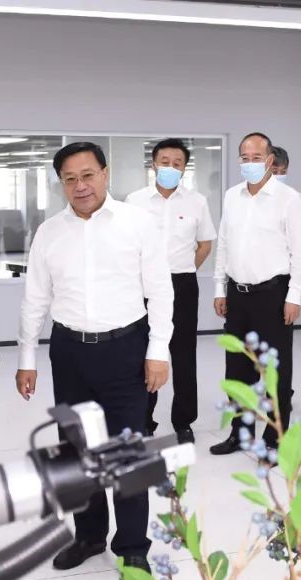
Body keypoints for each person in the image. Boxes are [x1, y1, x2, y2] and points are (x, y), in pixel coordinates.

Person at [17, 142, 173, 574]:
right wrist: (27, 356)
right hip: (69, 352)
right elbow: (35, 298)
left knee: (127, 452)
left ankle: (133, 545)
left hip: (126, 350)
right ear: (61, 184)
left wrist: (158, 351)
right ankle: (88, 535)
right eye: (70, 179)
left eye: (88, 175)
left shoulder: (137, 223)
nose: (80, 186)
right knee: (76, 451)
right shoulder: (49, 232)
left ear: (105, 174)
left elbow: (161, 291)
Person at [210, 133, 301, 455]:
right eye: (245, 157)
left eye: (256, 157)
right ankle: (240, 433)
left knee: (275, 371)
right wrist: (219, 287)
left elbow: (300, 252)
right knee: (237, 369)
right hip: (237, 295)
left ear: (269, 160)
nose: (250, 163)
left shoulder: (288, 198)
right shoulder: (232, 196)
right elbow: (224, 244)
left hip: (273, 296)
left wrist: (294, 296)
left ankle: (275, 438)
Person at [126, 138, 216, 444]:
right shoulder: (135, 201)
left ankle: (184, 420)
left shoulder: (196, 201)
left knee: (183, 353)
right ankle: (143, 419)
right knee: (142, 352)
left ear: (184, 168)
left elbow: (205, 244)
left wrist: (186, 268)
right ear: (154, 164)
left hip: (182, 284)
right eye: (164, 162)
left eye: (177, 163)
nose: (170, 167)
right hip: (142, 287)